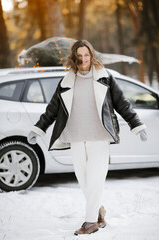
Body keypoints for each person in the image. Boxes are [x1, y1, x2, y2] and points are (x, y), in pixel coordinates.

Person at [27, 40, 147, 235]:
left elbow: (122, 104)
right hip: (75, 136)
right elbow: (53, 109)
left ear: (92, 55)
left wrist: (136, 124)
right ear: (74, 57)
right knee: (83, 179)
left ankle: (90, 222)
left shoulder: (104, 77)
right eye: (79, 56)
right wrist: (39, 128)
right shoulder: (67, 80)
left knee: (95, 179)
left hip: (99, 136)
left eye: (86, 55)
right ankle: (98, 209)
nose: (83, 59)